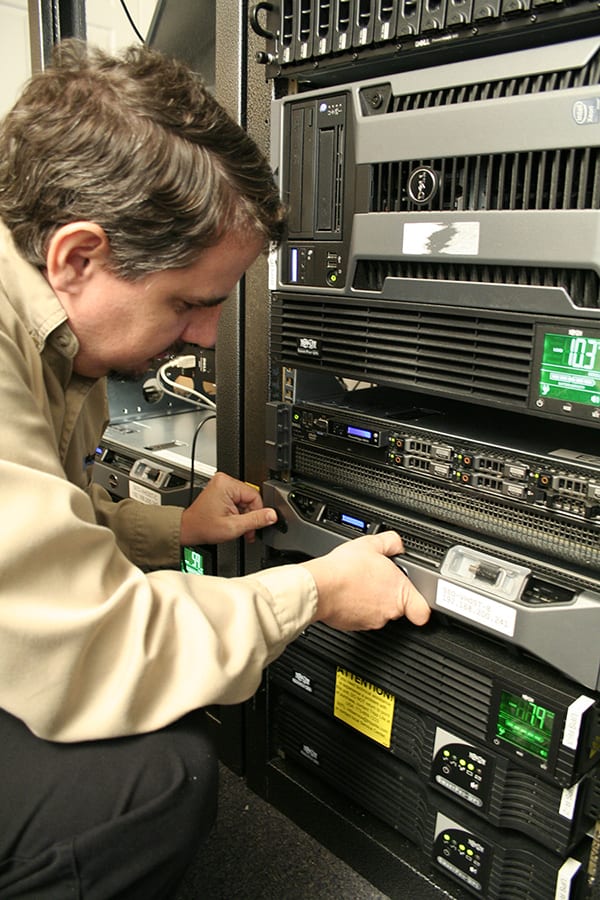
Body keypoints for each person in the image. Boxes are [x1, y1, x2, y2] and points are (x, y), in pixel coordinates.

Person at [0, 39, 431, 899]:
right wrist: (314, 592)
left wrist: (174, 529)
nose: (207, 335)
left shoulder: (54, 333)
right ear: (77, 257)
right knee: (159, 777)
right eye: (192, 303)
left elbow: (24, 552)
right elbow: (91, 644)